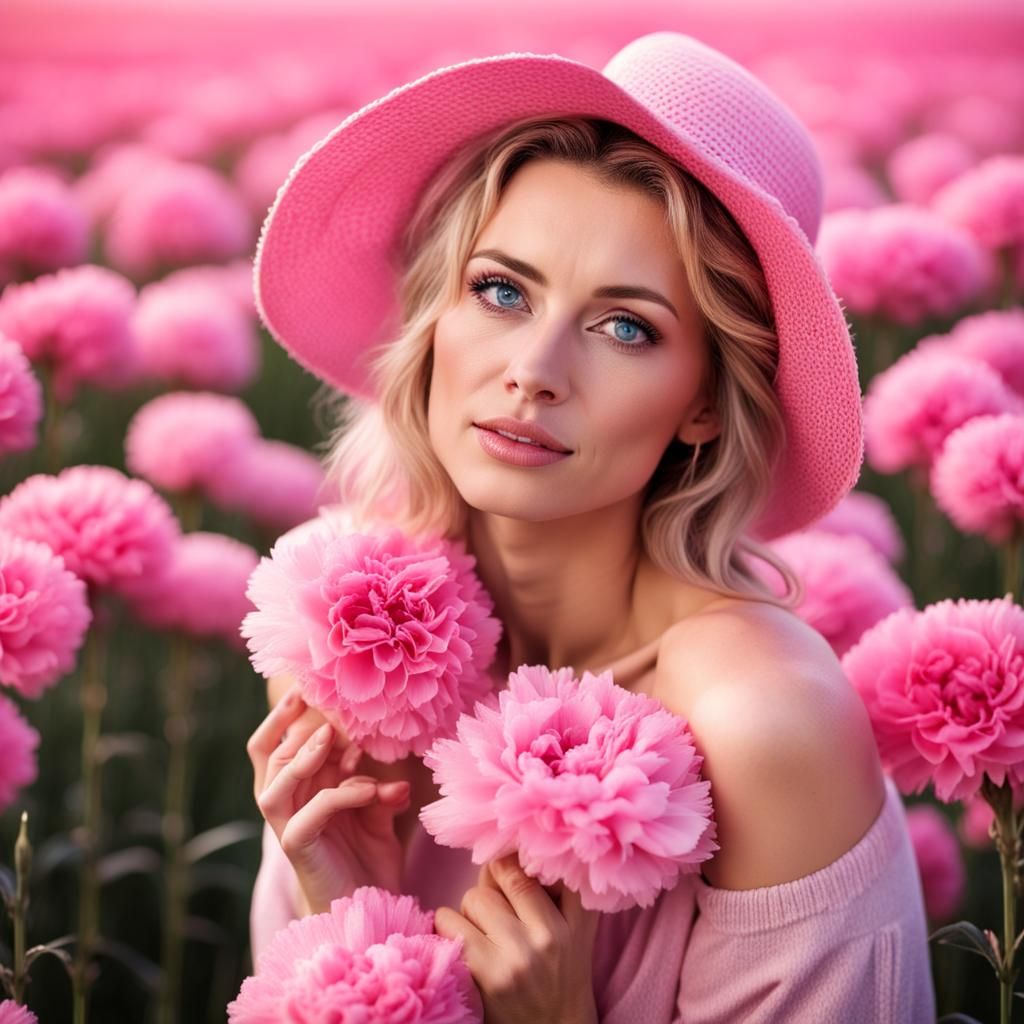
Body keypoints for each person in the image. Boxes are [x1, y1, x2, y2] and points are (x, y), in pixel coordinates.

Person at [244, 31, 937, 1023]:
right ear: (433, 315)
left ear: (705, 401)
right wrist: (349, 910)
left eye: (625, 326)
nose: (533, 367)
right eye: (500, 289)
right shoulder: (343, 641)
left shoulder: (760, 726)